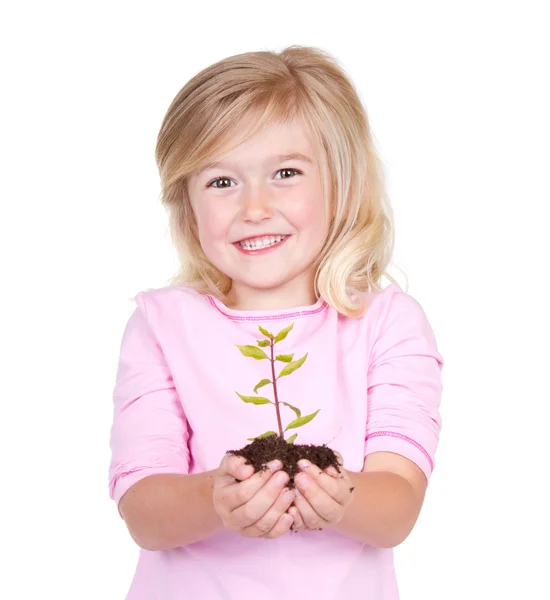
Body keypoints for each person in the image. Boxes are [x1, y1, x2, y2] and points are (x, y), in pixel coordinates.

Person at [108, 45, 444, 600]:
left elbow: (398, 507)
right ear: (187, 204)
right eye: (221, 182)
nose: (255, 207)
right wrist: (215, 500)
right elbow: (143, 511)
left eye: (285, 173)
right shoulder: (160, 326)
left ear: (341, 185)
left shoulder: (388, 323)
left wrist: (340, 498)